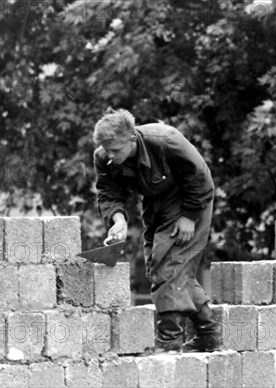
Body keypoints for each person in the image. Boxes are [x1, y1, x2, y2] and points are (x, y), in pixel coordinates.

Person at [92, 108, 220, 353]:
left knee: (168, 266)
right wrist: (118, 220)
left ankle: (169, 340)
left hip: (192, 200)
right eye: (106, 150)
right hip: (157, 203)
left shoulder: (166, 141)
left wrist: (190, 217)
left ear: (132, 139)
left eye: (115, 150)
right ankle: (208, 334)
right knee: (159, 267)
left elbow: (201, 179)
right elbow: (109, 194)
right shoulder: (103, 157)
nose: (110, 155)